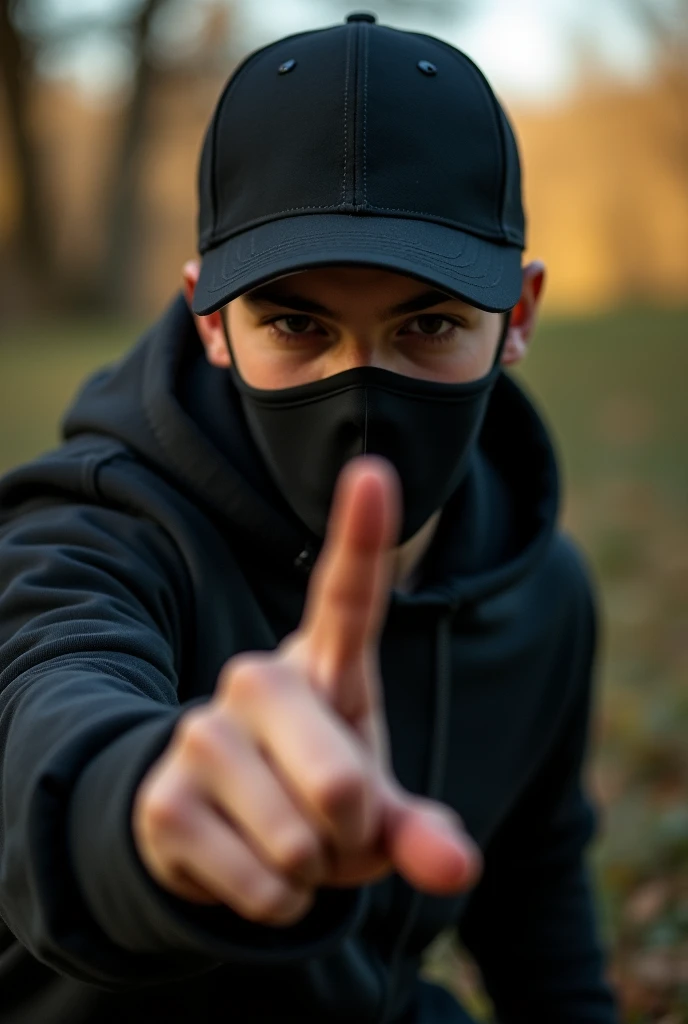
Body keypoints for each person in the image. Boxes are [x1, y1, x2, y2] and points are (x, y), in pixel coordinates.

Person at [0, 11, 619, 1024]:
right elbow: (52, 708)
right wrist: (144, 818)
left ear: (517, 316)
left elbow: (537, 906)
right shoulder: (89, 532)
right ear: (209, 318)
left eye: (426, 324)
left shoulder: (544, 592)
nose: (359, 391)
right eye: (295, 322)